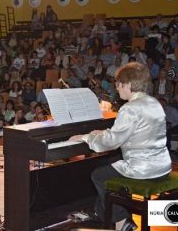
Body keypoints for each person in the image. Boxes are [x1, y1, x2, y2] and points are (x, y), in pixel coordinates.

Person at [69, 62, 171, 229]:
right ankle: (101, 214)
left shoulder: (129, 108)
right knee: (109, 169)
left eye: (119, 84)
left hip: (143, 168)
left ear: (128, 84)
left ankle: (122, 221)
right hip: (162, 164)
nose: (117, 88)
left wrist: (86, 137)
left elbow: (112, 142)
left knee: (99, 175)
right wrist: (102, 133)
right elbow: (132, 131)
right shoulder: (154, 102)